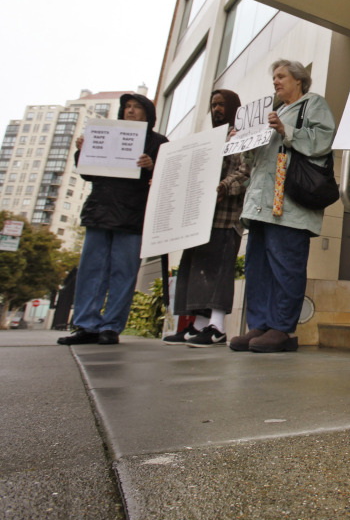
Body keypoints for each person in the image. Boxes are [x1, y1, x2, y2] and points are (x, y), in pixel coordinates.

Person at [229, 59, 335, 353]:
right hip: (261, 204)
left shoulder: (312, 104)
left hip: (290, 206)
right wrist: (244, 143)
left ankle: (282, 329)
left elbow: (323, 140)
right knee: (258, 267)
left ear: (299, 79)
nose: (275, 81)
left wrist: (284, 128)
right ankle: (261, 325)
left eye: (281, 76)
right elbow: (255, 162)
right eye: (273, 77)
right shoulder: (271, 113)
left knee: (286, 266)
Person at [58, 93, 168, 346]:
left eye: (136, 107)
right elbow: (86, 174)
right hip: (99, 212)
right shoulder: (106, 133)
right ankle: (86, 325)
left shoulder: (159, 142)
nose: (130, 111)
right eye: (127, 107)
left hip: (132, 215)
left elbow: (168, 177)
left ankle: (111, 327)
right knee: (90, 271)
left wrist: (153, 166)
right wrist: (83, 152)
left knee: (124, 272)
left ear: (148, 114)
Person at [163, 89, 250, 347]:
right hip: (198, 219)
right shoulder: (206, 139)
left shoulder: (242, 136)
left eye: (222, 104)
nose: (216, 109)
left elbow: (246, 171)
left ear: (233, 107)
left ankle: (217, 326)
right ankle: (198, 326)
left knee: (218, 271)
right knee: (196, 271)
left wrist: (223, 187)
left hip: (225, 218)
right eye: (213, 105)